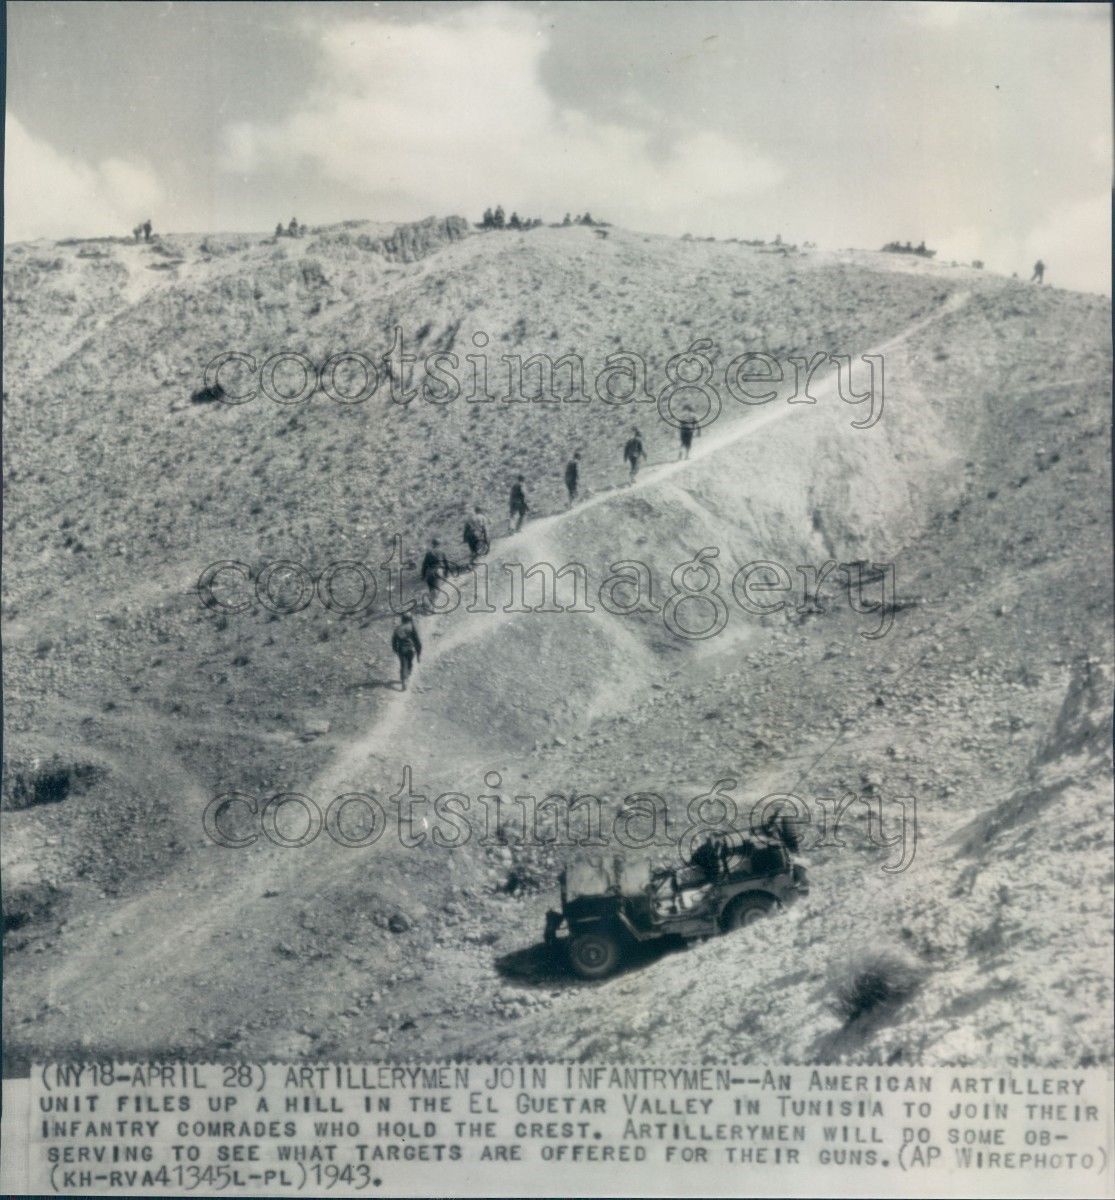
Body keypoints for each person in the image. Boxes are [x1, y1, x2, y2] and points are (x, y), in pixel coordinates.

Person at [391, 614, 422, 691]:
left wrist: (395, 649)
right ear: (410, 619)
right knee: (409, 663)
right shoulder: (412, 627)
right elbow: (417, 640)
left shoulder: (398, 628)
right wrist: (418, 653)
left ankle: (403, 680)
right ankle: (407, 675)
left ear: (402, 620)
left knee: (403, 664)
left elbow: (394, 641)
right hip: (410, 649)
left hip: (401, 649)